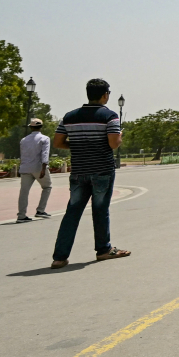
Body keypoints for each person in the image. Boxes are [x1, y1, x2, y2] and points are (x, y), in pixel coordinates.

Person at [50, 78, 130, 269]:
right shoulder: (109, 116)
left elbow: (58, 142)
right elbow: (112, 143)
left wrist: (78, 144)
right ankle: (103, 249)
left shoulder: (69, 117)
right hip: (102, 170)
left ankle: (59, 257)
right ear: (105, 95)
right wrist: (119, 138)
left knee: (72, 212)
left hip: (79, 170)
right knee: (100, 210)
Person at [17, 118, 52, 223]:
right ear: (41, 127)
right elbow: (45, 154)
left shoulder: (23, 140)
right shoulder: (45, 139)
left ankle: (21, 215)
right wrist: (43, 168)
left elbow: (23, 155)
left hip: (25, 168)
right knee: (47, 187)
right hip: (38, 167)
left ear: (31, 127)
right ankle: (40, 210)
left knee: (24, 192)